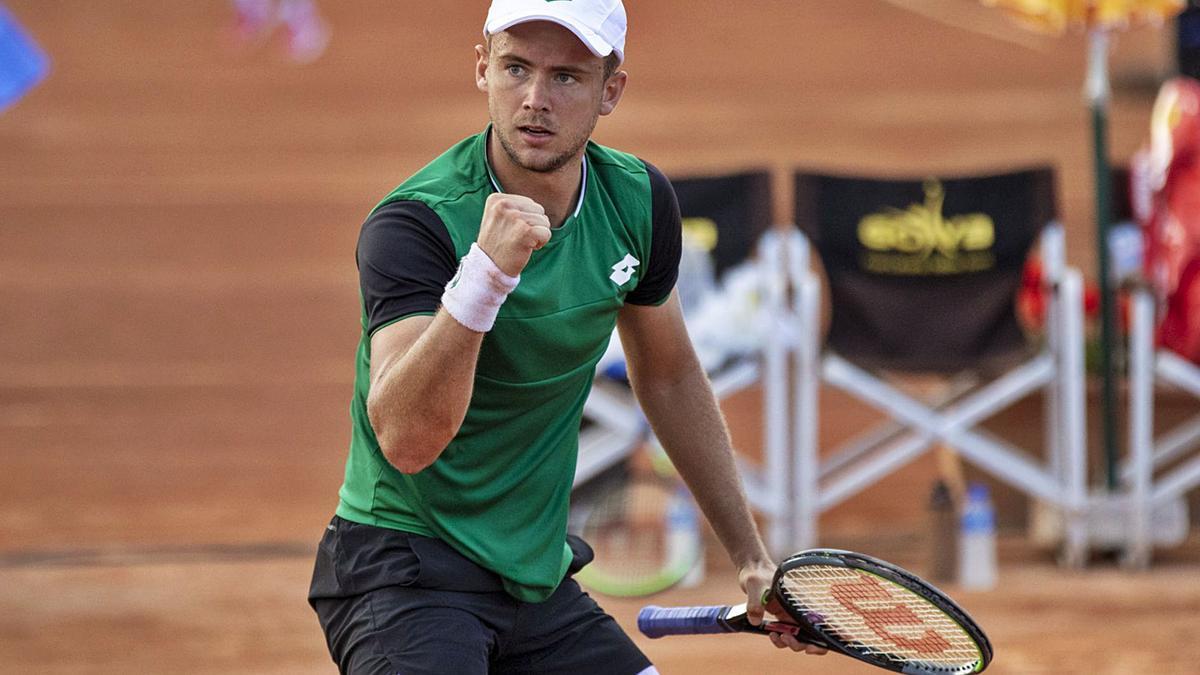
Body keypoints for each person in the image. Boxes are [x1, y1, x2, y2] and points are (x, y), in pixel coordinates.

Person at [307, 1, 826, 672]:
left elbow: (668, 376)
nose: (534, 100)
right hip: (405, 573)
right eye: (515, 68)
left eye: (567, 78)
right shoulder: (416, 224)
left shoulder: (637, 201)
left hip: (533, 582)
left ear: (611, 90)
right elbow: (407, 440)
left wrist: (752, 556)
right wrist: (485, 276)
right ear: (481, 69)